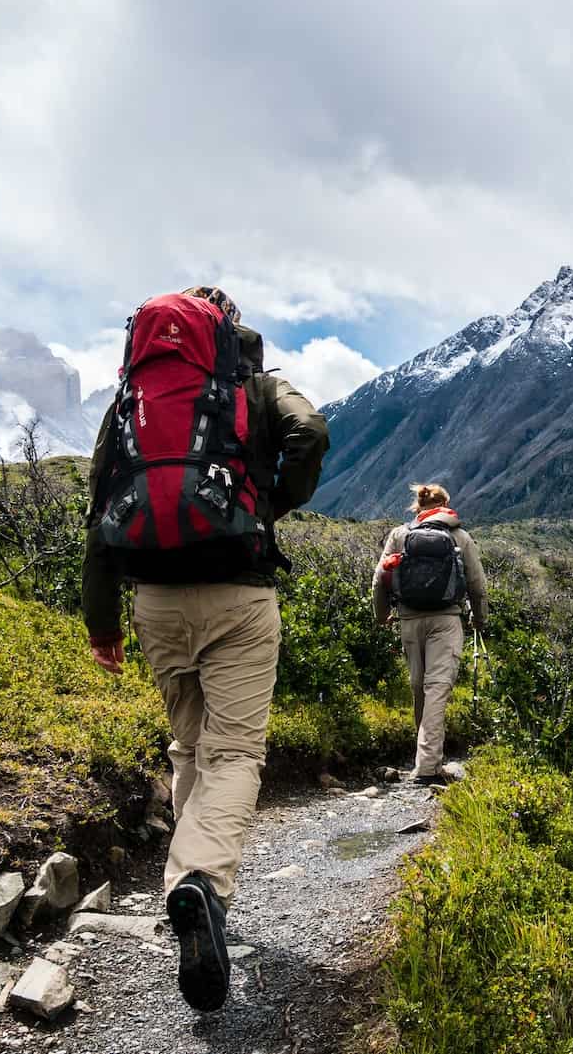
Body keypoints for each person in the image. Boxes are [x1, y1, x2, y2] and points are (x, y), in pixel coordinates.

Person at [82, 286, 328, 1013]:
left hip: (154, 601)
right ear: (227, 329)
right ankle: (201, 884)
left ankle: (188, 885)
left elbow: (100, 504)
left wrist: (102, 624)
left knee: (188, 745)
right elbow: (311, 431)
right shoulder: (252, 386)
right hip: (237, 594)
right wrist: (269, 502)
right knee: (235, 753)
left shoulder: (132, 400)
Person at [372, 484, 487, 786]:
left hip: (409, 620)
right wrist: (478, 619)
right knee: (437, 688)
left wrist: (382, 615)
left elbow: (380, 579)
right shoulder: (460, 537)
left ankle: (425, 759)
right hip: (446, 621)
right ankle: (427, 767)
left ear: (418, 507)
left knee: (419, 687)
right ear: (446, 505)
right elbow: (477, 585)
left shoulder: (400, 535)